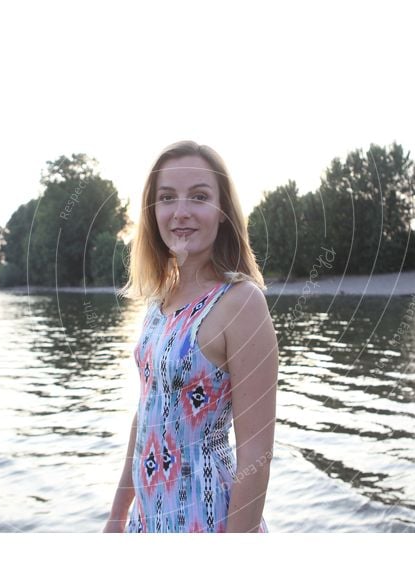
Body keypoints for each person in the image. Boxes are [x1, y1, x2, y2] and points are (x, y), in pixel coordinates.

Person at [103, 140, 278, 533]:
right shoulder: (159, 299)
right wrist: (117, 514)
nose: (181, 212)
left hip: (206, 517)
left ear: (222, 212)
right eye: (167, 198)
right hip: (146, 520)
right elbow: (148, 412)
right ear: (153, 212)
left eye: (199, 196)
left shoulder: (241, 303)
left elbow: (256, 452)